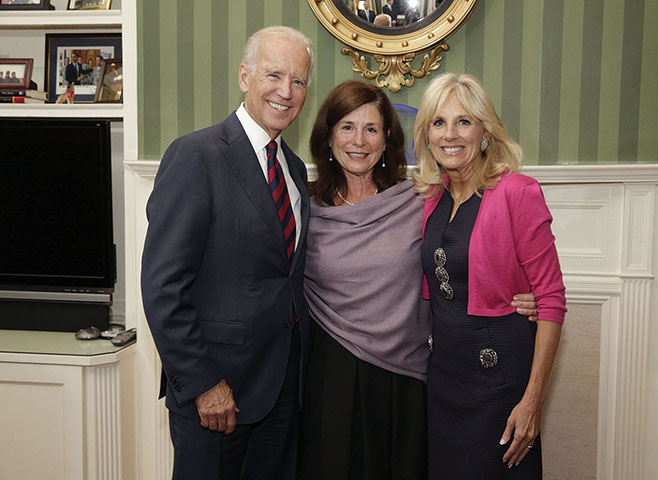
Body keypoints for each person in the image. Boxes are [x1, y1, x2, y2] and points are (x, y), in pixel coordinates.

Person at [299, 80, 540, 480]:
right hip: (331, 378)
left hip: (406, 379)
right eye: (346, 127)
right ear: (327, 136)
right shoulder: (306, 210)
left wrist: (526, 294)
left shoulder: (419, 198)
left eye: (372, 129)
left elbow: (472, 250)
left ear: (387, 138)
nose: (359, 140)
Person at [141, 26, 314, 480]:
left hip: (281, 394)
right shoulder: (196, 156)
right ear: (244, 76)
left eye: (299, 81)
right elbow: (163, 287)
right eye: (273, 75)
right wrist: (202, 384)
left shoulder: (293, 169)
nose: (286, 91)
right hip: (217, 398)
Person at [413, 73, 566, 479]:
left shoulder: (517, 192)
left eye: (464, 121)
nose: (450, 134)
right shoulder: (432, 197)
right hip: (444, 380)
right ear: (426, 134)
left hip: (498, 381)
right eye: (438, 122)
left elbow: (550, 300)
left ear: (484, 131)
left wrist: (533, 400)